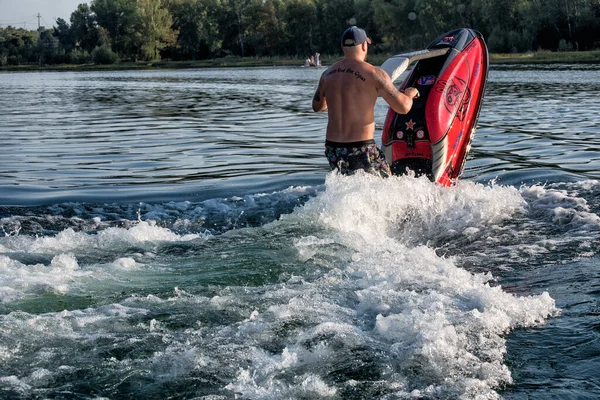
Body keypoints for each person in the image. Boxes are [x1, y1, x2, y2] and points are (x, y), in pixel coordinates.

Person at [312, 26, 420, 178]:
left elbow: (317, 106)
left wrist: (339, 95)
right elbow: (403, 107)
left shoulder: (327, 74)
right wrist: (409, 93)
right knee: (387, 187)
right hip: (360, 148)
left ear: (342, 46)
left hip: (333, 149)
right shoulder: (374, 73)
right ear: (364, 45)